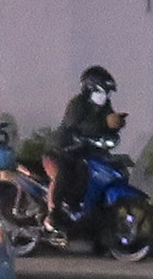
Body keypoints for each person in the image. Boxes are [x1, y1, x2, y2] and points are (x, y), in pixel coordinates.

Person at [46, 65, 124, 226]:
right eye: (102, 91)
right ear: (90, 89)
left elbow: (107, 125)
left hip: (87, 151)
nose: (105, 96)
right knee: (65, 174)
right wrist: (104, 123)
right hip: (64, 151)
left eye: (107, 93)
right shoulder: (77, 104)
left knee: (99, 172)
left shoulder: (105, 106)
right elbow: (76, 125)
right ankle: (54, 213)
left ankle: (88, 210)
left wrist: (115, 126)